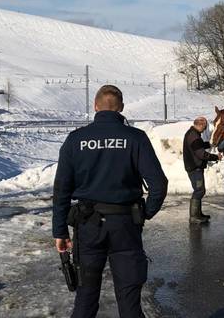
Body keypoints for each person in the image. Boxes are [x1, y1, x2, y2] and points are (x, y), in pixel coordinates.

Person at [52, 85, 168, 318]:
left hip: (88, 227)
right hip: (125, 225)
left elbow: (61, 190)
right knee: (130, 302)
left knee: (85, 299)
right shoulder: (135, 138)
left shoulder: (76, 140)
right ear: (121, 108)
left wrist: (60, 231)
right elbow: (159, 184)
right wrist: (144, 213)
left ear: (95, 106)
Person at [183, 117, 219, 224]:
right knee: (199, 190)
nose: (205, 129)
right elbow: (201, 154)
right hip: (195, 168)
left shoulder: (192, 134)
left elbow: (199, 145)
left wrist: (209, 144)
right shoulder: (193, 136)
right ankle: (194, 216)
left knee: (199, 190)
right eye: (205, 126)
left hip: (194, 167)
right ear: (201, 125)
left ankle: (198, 213)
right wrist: (215, 157)